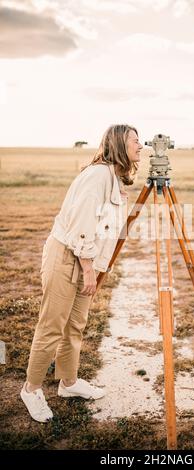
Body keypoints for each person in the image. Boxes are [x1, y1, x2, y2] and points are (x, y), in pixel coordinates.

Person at [20, 124, 143, 423]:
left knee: (75, 325)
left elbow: (106, 228)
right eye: (135, 142)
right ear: (119, 145)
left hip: (84, 258)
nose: (141, 147)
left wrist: (97, 266)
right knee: (52, 326)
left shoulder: (112, 177)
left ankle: (69, 383)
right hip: (67, 256)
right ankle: (31, 388)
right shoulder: (98, 176)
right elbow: (82, 225)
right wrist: (89, 269)